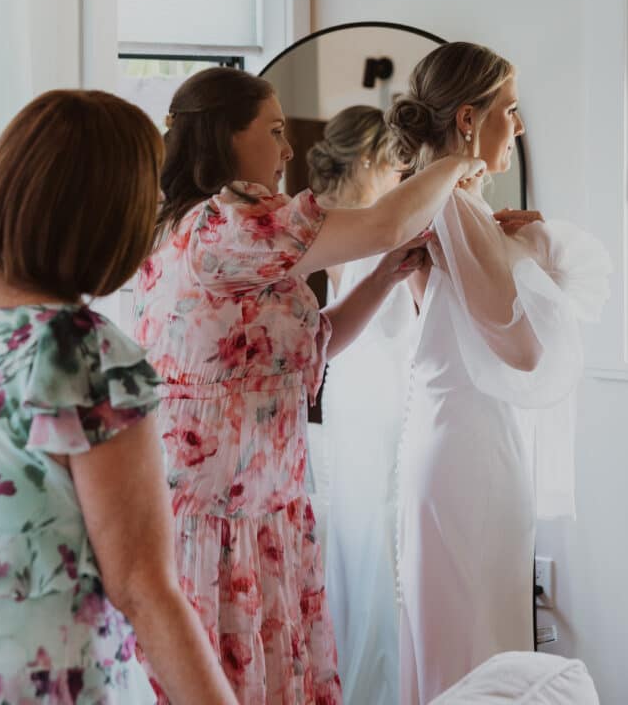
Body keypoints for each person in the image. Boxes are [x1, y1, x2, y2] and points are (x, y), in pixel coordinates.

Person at [133, 67, 484, 705]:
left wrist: (384, 277)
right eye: (273, 131)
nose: (290, 148)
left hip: (270, 509)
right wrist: (461, 159)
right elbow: (383, 221)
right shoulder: (223, 227)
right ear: (225, 139)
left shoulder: (216, 233)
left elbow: (302, 346)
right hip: (221, 523)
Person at [0, 90, 237, 705]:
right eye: (150, 194)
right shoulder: (86, 357)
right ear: (106, 214)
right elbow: (142, 585)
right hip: (54, 685)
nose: (158, 206)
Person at [387, 43, 610, 705]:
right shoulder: (452, 206)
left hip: (457, 443)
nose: (517, 127)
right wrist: (534, 257)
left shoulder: (447, 205)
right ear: (465, 119)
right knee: (478, 655)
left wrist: (520, 247)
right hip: (468, 455)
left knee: (467, 646)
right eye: (508, 110)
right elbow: (520, 350)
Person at [306, 106, 420, 705]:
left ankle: (364, 677)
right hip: (373, 403)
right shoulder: (378, 227)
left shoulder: (342, 222)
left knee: (368, 531)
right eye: (399, 159)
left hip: (358, 393)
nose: (406, 170)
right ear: (376, 158)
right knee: (373, 529)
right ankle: (379, 683)